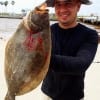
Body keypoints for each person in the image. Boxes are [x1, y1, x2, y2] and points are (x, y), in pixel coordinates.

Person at [41, 0, 98, 100]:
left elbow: (80, 64)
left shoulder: (90, 35)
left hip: (74, 96)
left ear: (78, 6)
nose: (62, 9)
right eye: (58, 4)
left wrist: (41, 59)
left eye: (68, 3)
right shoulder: (47, 32)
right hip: (47, 94)